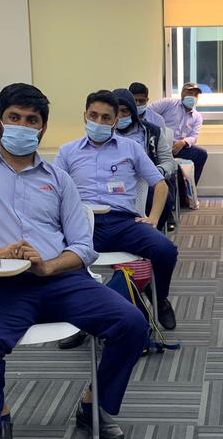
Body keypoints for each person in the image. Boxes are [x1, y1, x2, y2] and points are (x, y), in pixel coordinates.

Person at [0, 83, 148, 439]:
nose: (23, 126)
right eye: (14, 118)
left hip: (61, 279)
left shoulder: (58, 178)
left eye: (32, 121)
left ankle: (93, 406)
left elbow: (83, 245)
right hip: (4, 285)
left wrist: (48, 265)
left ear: (42, 129)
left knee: (132, 323)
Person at [55, 90, 178, 330]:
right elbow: (52, 192)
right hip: (82, 224)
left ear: (114, 120)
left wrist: (152, 218)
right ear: (85, 116)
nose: (99, 122)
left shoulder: (130, 148)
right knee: (60, 261)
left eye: (105, 117)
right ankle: (80, 323)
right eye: (93, 115)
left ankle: (159, 298)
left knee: (165, 250)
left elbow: (160, 185)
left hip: (122, 222)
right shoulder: (67, 151)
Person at [113, 87, 176, 230]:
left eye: (125, 111)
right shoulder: (107, 133)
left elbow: (169, 162)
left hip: (148, 181)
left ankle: (153, 229)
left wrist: (156, 171)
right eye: (117, 111)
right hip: (116, 182)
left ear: (132, 111)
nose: (120, 116)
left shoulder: (151, 131)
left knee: (162, 196)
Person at [148, 82, 208, 185]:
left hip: (179, 148)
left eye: (195, 95)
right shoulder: (168, 103)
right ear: (182, 93)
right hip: (160, 145)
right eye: (190, 93)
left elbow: (194, 137)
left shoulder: (197, 117)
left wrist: (183, 142)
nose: (192, 97)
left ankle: (189, 191)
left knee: (201, 154)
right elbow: (148, 112)